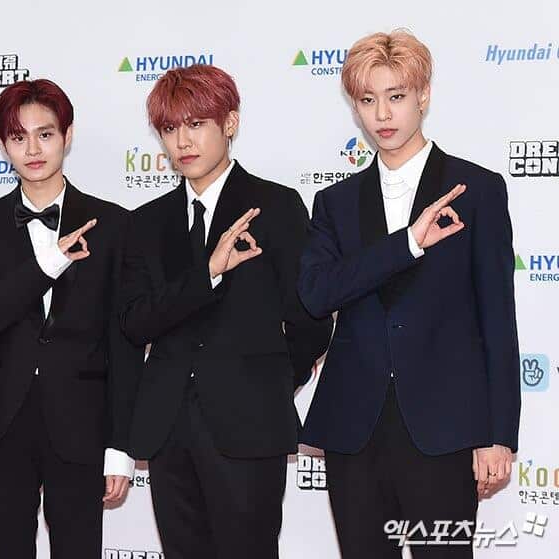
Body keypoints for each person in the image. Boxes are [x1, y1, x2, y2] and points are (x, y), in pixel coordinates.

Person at [297, 30, 520, 558]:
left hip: (446, 426)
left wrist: (499, 435)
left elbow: (497, 318)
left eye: (396, 96)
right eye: (367, 99)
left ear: (423, 95)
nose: (382, 114)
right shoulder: (334, 202)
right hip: (355, 428)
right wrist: (408, 244)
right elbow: (317, 294)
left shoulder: (477, 189)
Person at [119, 64, 333, 559]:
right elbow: (134, 321)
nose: (182, 141)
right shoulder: (146, 223)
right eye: (170, 128)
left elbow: (311, 317)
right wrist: (208, 274)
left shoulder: (276, 206)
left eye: (196, 124)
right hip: (168, 427)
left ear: (229, 123)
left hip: (251, 424)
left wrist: (273, 379)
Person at [0, 78, 142, 559]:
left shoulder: (115, 225)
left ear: (67, 136)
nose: (32, 149)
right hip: (3, 424)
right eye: (18, 137)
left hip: (83, 425)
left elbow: (124, 343)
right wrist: (48, 265)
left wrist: (120, 446)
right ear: (2, 144)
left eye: (45, 134)